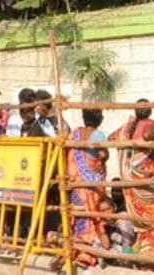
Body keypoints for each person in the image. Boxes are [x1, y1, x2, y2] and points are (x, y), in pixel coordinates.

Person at [111, 98, 154, 257]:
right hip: (144, 178)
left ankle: (142, 245)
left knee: (140, 215)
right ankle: (152, 248)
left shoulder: (126, 128)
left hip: (129, 178)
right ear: (150, 110)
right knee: (152, 214)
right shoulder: (152, 125)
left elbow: (111, 138)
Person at [67, 109, 108, 267]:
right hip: (91, 184)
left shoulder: (75, 133)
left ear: (84, 118)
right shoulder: (98, 135)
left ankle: (79, 251)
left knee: (79, 216)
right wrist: (101, 162)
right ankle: (88, 255)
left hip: (76, 182)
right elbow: (102, 155)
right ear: (100, 119)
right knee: (92, 217)